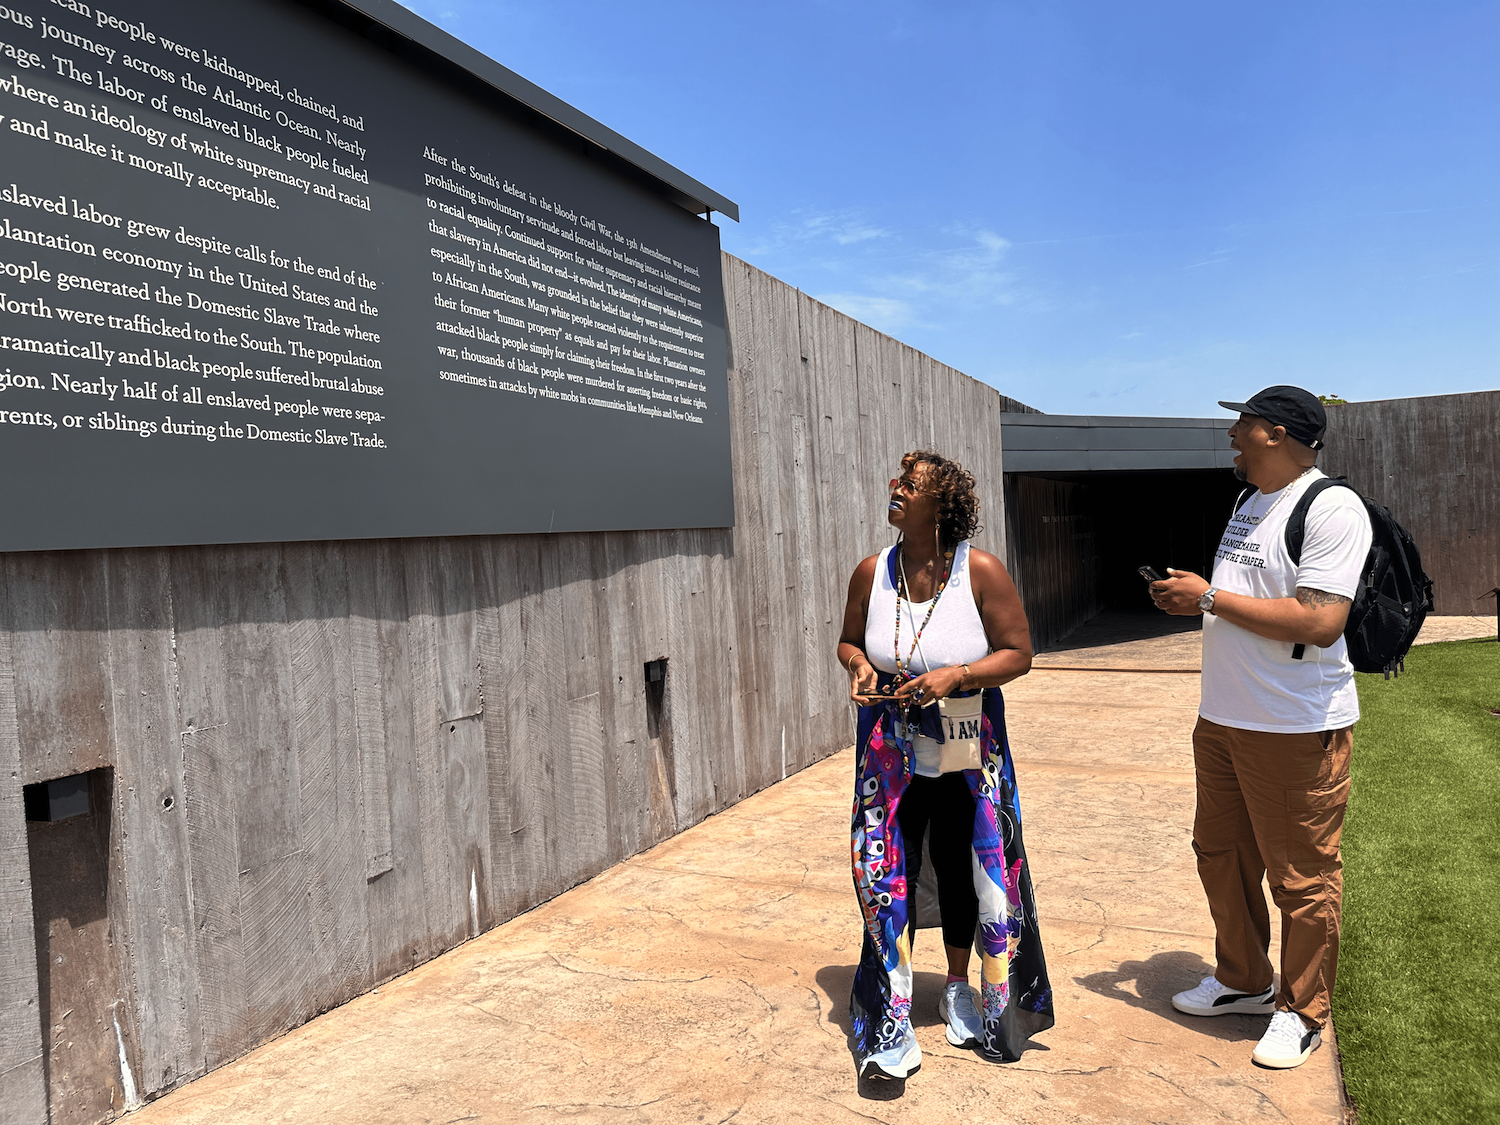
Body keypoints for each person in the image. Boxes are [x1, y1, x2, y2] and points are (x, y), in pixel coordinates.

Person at [1150, 386, 1373, 1070]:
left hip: (1294, 724)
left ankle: (1301, 1010)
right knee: (1220, 851)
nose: (1232, 437)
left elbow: (1319, 618)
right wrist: (1197, 601)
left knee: (1300, 876)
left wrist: (1209, 596)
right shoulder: (1248, 502)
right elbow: (1251, 600)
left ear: (1275, 432)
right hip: (1222, 716)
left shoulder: (1331, 507)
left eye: (1240, 425)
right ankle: (1244, 979)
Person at [837, 450, 1054, 1080]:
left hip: (968, 741)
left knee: (969, 860)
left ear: (942, 505)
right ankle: (892, 1013)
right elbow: (850, 641)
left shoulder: (979, 571)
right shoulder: (871, 571)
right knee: (885, 866)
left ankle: (965, 986)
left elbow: (1020, 654)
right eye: (897, 481)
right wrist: (859, 666)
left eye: (909, 484)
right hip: (888, 745)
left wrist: (957, 674)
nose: (894, 488)